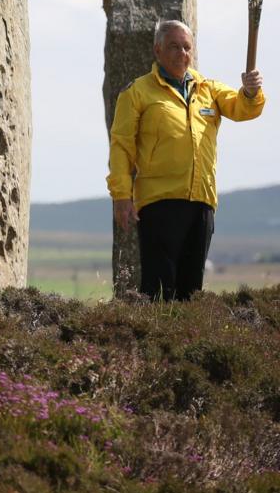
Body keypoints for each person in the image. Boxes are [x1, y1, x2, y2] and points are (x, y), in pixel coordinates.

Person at [107, 19, 266, 301]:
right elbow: (122, 146)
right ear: (158, 50)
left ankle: (183, 341)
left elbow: (242, 108)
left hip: (201, 202)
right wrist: (121, 195)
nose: (182, 53)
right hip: (159, 203)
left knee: (191, 290)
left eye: (186, 47)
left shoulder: (209, 89)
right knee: (159, 289)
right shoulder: (137, 92)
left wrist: (251, 92)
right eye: (174, 47)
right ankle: (156, 342)